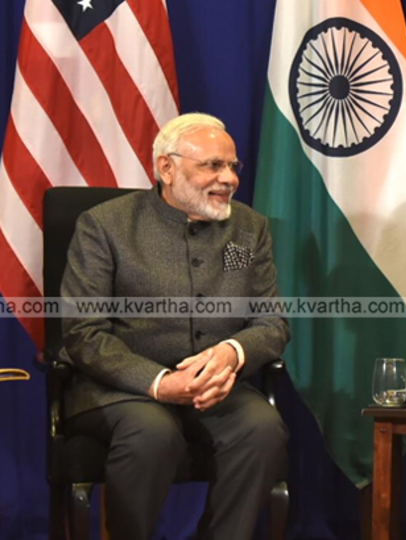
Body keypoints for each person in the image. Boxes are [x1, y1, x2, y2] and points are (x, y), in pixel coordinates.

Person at [61, 113, 290, 539]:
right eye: (213, 166)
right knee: (152, 433)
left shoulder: (248, 228)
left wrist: (231, 354)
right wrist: (159, 383)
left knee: (262, 429)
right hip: (122, 389)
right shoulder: (104, 225)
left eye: (233, 166)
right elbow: (82, 331)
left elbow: (270, 322)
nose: (229, 178)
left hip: (215, 387)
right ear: (167, 168)